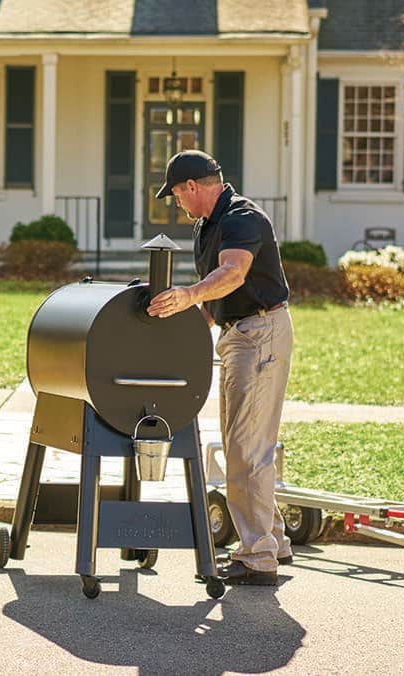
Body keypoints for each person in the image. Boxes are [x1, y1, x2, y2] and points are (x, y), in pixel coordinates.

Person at [146, 149, 293, 587]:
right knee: (242, 445)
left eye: (176, 195)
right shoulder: (207, 227)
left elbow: (232, 274)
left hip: (260, 331)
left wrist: (189, 295)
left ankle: (257, 558)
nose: (177, 204)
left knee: (247, 449)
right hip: (238, 333)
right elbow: (216, 300)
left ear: (192, 187)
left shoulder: (243, 218)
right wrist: (184, 326)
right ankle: (273, 542)